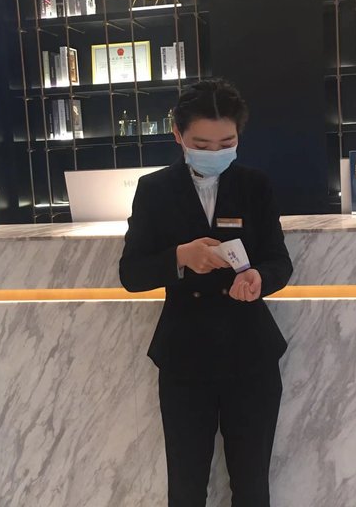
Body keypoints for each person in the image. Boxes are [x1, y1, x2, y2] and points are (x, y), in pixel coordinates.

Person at [119, 79, 293, 507]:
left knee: (252, 486)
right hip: (184, 357)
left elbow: (278, 260)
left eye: (226, 143)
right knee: (186, 487)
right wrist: (180, 257)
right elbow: (131, 273)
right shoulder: (154, 189)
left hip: (250, 354)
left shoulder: (255, 185)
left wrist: (259, 279)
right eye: (201, 144)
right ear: (177, 134)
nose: (215, 152)